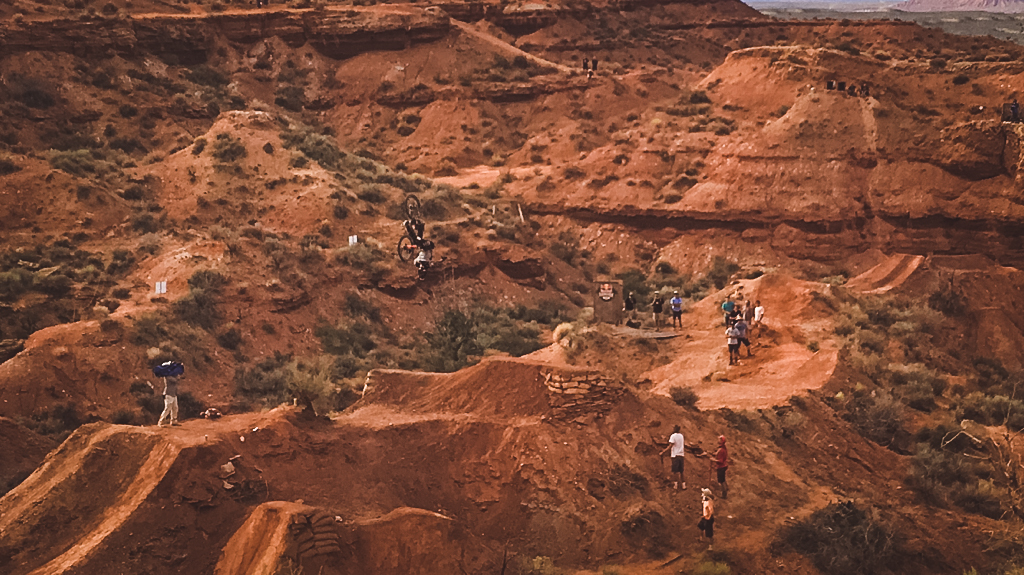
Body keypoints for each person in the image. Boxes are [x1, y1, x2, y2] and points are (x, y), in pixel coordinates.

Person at [660, 424, 686, 490]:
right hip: (681, 455)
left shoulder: (673, 436)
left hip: (675, 455)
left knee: (675, 471)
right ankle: (683, 485)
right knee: (681, 471)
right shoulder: (681, 436)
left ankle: (676, 485)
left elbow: (670, 445)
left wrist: (663, 452)